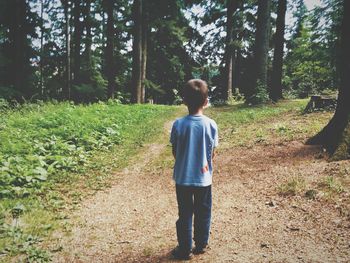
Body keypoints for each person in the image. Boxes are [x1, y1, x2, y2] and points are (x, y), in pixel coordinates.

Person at [170, 79, 219, 260]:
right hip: (204, 178)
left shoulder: (178, 124)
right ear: (206, 102)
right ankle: (201, 244)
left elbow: (175, 151)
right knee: (203, 210)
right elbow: (212, 153)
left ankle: (184, 249)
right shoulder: (211, 125)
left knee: (185, 213)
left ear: (184, 101)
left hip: (183, 178)